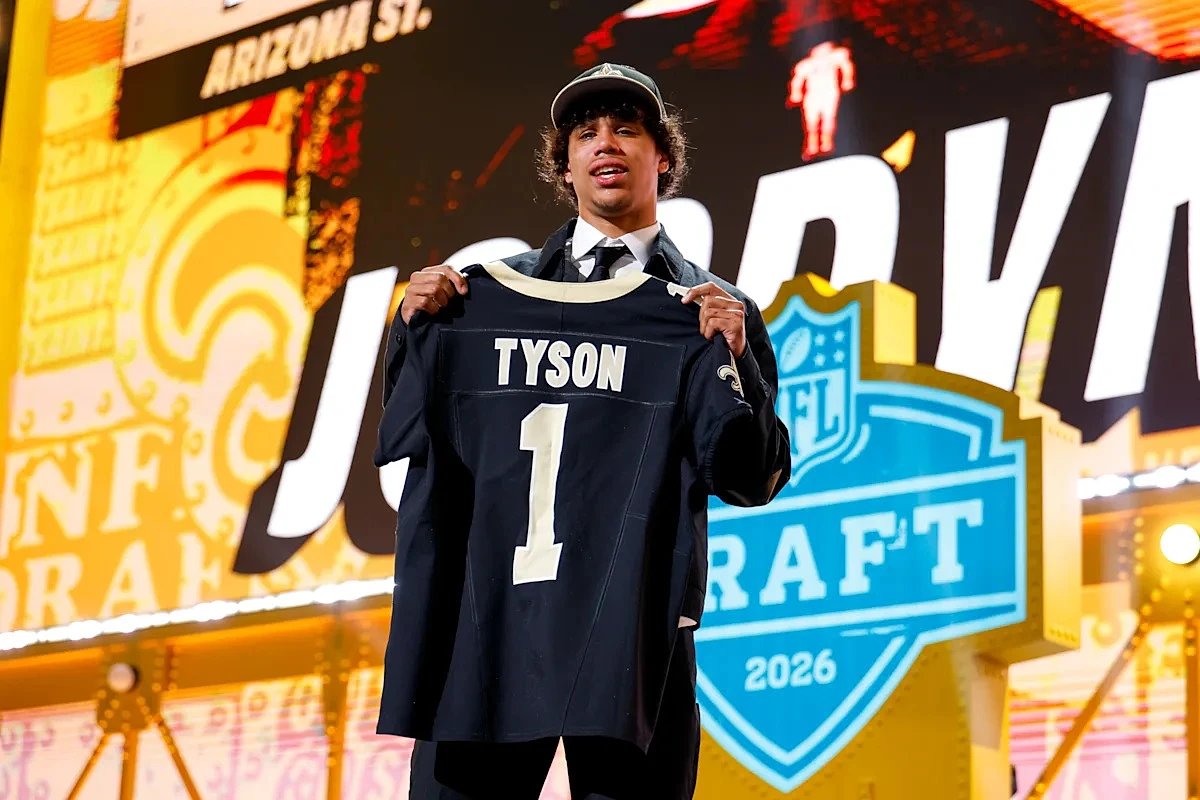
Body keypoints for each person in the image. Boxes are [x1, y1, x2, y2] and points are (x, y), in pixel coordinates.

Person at [387, 63, 791, 799]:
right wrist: (412, 328)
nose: (606, 143)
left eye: (627, 129)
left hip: (635, 632)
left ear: (662, 157)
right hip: (491, 622)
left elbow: (751, 479)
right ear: (564, 166)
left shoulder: (711, 309)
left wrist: (735, 362)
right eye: (585, 133)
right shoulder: (477, 297)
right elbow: (411, 430)